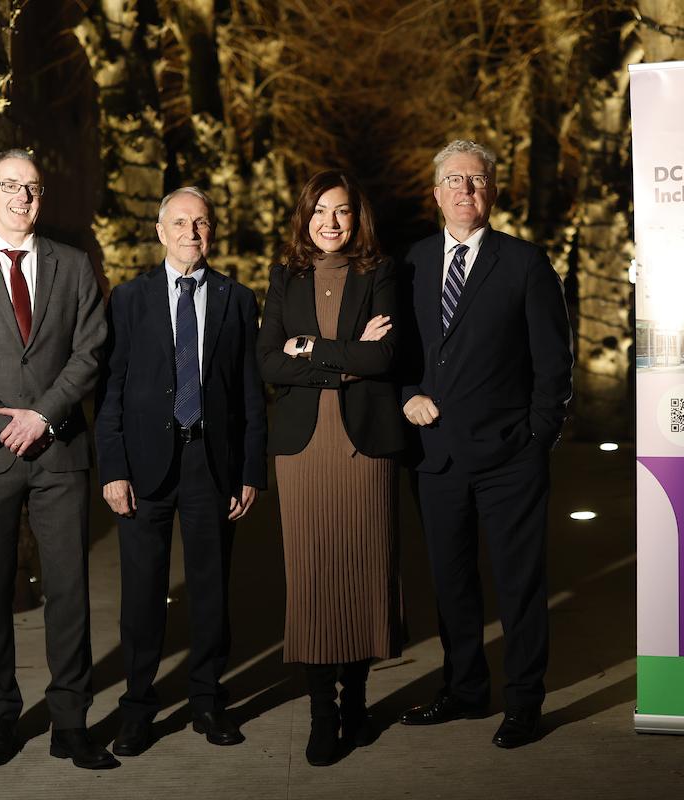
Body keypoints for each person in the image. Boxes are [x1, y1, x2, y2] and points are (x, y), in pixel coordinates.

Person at [0, 149, 112, 770]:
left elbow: (90, 350)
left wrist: (44, 416)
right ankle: (1, 718)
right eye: (8, 186)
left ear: (41, 196)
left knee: (69, 590)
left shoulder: (75, 264)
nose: (21, 198)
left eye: (31, 187)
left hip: (59, 450)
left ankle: (70, 722)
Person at [398, 140, 573, 748]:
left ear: (492, 191)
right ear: (436, 192)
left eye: (476, 180)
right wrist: (404, 394)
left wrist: (537, 437)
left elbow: (554, 362)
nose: (465, 190)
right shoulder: (413, 263)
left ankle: (524, 702)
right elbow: (396, 352)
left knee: (520, 585)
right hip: (436, 457)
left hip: (509, 459)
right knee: (451, 583)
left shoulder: (525, 263)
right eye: (453, 180)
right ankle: (465, 689)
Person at [96, 186, 266, 758]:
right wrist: (113, 469)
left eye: (201, 223)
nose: (191, 232)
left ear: (210, 232)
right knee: (142, 593)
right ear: (160, 230)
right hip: (144, 469)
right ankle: (138, 709)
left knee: (211, 591)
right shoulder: (128, 300)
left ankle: (207, 702)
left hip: (211, 465)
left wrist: (251, 470)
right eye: (180, 222)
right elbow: (110, 391)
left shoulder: (237, 300)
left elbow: (249, 394)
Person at [257, 170, 407, 766]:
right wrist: (345, 361)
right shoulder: (284, 275)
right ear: (304, 216)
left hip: (364, 446)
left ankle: (358, 702)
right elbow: (269, 362)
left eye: (342, 211)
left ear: (358, 217)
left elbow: (387, 355)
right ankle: (322, 711)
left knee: (365, 572)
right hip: (303, 448)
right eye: (320, 210)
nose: (331, 222)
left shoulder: (381, 273)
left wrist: (312, 350)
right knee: (313, 577)